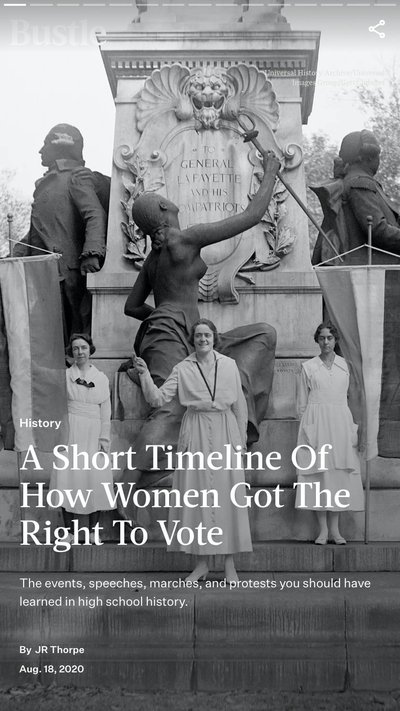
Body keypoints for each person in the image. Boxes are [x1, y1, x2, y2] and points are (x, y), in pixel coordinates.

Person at [118, 150, 279, 513]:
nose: (169, 199)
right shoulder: (187, 239)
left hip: (186, 333)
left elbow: (132, 307)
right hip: (170, 333)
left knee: (262, 336)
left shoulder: (156, 256)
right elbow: (252, 216)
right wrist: (270, 169)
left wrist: (161, 317)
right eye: (163, 199)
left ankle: (236, 426)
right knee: (170, 409)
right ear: (162, 212)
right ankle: (126, 488)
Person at [134, 318, 252, 583]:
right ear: (193, 339)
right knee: (197, 497)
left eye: (206, 335)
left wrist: (240, 440)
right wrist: (144, 375)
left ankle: (229, 565)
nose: (202, 340)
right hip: (196, 430)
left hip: (224, 429)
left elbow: (239, 404)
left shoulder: (229, 365)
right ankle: (201, 564)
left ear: (214, 337)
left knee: (226, 498)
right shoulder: (183, 368)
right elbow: (158, 398)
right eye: (198, 336)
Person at [13, 124, 109, 340]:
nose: (40, 150)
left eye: (45, 144)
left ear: (61, 146)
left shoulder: (76, 177)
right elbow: (38, 232)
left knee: (73, 336)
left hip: (69, 272)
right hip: (42, 271)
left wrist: (92, 253)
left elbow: (95, 214)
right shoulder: (46, 184)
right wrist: (15, 255)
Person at [295, 323, 364, 544]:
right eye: (322, 338)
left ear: (336, 341)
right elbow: (301, 405)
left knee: (337, 476)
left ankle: (335, 530)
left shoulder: (346, 366)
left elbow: (353, 398)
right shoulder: (308, 367)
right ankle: (322, 530)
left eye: (330, 338)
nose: (326, 342)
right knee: (318, 476)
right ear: (317, 340)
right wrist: (307, 432)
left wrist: (356, 428)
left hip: (340, 424)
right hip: (316, 424)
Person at [50, 333, 116, 543]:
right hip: (71, 430)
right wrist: (60, 438)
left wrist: (104, 440)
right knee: (67, 478)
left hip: (93, 432)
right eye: (76, 348)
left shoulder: (101, 379)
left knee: (94, 479)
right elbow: (58, 409)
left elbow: (106, 412)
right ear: (72, 352)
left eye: (84, 348)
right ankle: (69, 532)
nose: (80, 352)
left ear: (90, 350)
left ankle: (91, 531)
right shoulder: (65, 377)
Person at [311, 130, 400, 266]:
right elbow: (378, 230)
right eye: (378, 156)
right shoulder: (360, 183)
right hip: (374, 273)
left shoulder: (354, 181)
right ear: (369, 158)